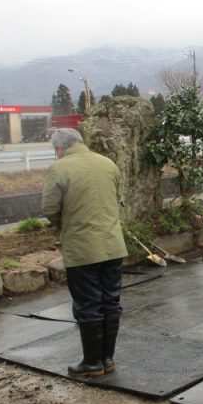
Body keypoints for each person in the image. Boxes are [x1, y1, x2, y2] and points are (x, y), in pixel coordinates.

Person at [42, 128, 128, 377]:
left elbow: (49, 208)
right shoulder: (108, 163)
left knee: (88, 303)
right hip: (112, 244)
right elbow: (117, 198)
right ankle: (107, 359)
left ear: (60, 148)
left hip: (82, 247)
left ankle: (91, 362)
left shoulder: (59, 168)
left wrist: (65, 222)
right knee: (110, 300)